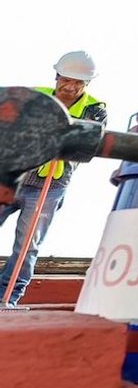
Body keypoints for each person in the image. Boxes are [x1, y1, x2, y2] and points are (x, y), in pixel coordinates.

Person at [1, 51, 107, 307]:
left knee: (28, 245)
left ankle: (7, 297)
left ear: (87, 84)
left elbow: (89, 145)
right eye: (66, 80)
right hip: (12, 176)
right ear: (57, 76)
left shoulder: (95, 110)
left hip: (49, 187)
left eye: (78, 82)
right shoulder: (33, 97)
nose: (70, 87)